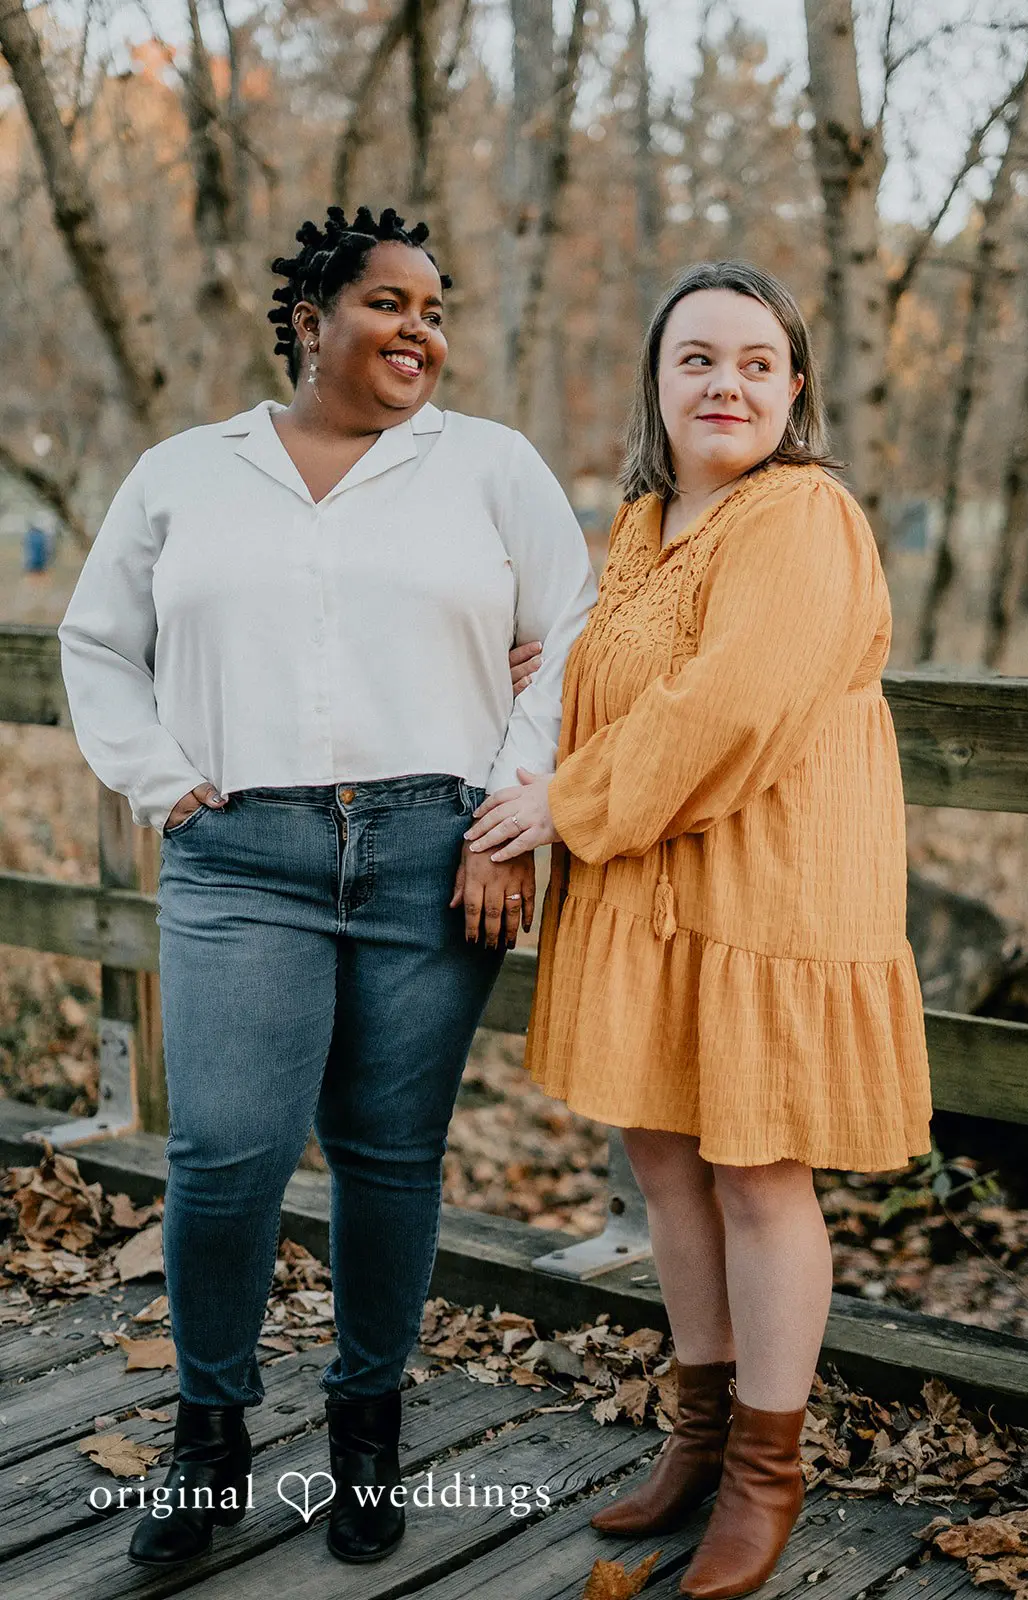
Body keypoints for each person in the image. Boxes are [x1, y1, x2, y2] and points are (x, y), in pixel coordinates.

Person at [58, 204, 595, 1570]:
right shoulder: (188, 471)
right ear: (309, 316)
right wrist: (159, 778)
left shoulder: (488, 467)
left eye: (436, 310)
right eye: (391, 303)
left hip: (436, 853)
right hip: (242, 854)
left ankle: (366, 1430)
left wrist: (503, 816)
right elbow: (97, 641)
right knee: (224, 1153)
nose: (423, 329)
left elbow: (576, 631)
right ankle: (210, 1436)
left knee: (388, 1156)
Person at [464, 261, 932, 1599]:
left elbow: (733, 705)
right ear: (657, 388)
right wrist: (538, 704)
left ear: (792, 391)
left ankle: (765, 1478)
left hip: (764, 896)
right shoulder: (642, 525)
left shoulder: (803, 518)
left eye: (753, 361)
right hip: (645, 900)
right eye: (694, 360)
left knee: (756, 1178)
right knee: (665, 1172)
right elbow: (592, 676)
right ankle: (698, 1437)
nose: (723, 382)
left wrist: (563, 801)